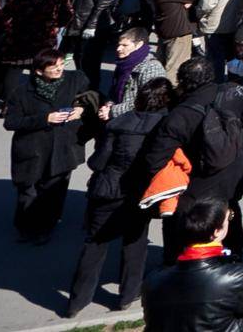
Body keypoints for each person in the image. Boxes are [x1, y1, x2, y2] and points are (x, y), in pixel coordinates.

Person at [66, 75, 173, 316]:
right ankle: (127, 295)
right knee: (135, 243)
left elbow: (98, 161)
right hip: (140, 193)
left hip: (107, 189)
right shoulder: (165, 127)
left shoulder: (120, 122)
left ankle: (77, 301)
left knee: (95, 244)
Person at [140, 58, 243, 257]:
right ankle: (233, 258)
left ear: (182, 82)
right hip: (234, 175)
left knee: (182, 224)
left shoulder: (179, 115)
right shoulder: (234, 92)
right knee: (230, 213)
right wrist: (233, 145)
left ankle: (179, 262)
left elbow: (155, 158)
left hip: (198, 183)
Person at [4, 48, 94, 243]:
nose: (59, 69)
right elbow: (11, 122)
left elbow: (92, 97)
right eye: (53, 67)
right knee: (28, 190)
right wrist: (45, 118)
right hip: (32, 149)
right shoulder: (22, 93)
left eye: (62, 64)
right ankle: (25, 226)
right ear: (38, 71)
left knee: (53, 191)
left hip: (63, 146)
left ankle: (46, 227)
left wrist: (82, 108)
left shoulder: (75, 80)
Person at [142, 197, 243, 332]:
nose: (231, 221)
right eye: (229, 217)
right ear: (217, 231)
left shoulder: (153, 280)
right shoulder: (240, 276)